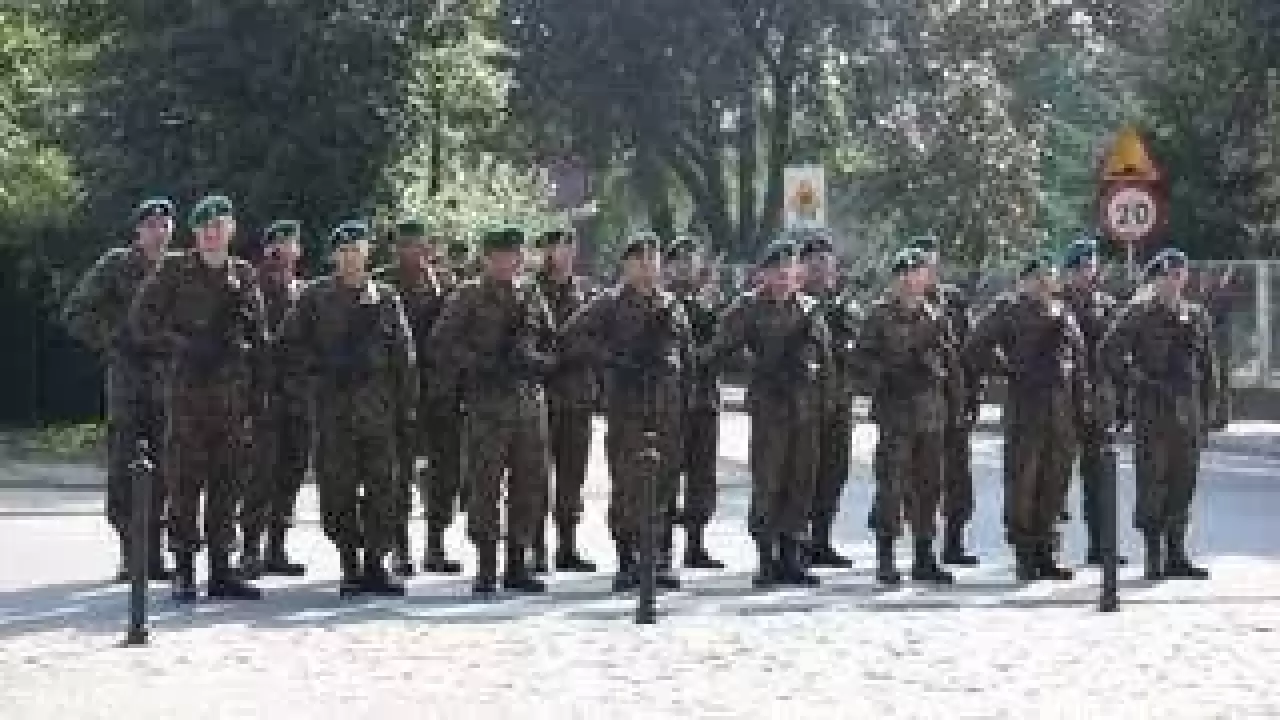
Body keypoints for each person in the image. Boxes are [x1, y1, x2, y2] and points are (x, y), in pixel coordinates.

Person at [130, 195, 267, 601]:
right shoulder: (174, 270)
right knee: (183, 483)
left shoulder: (244, 274)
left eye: (218, 226)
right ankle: (185, 569)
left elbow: (259, 338)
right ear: (195, 233)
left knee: (228, 483)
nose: (211, 234)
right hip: (186, 395)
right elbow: (141, 322)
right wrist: (182, 346)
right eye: (205, 227)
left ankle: (222, 569)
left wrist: (257, 395)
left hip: (232, 399)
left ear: (231, 230)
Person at [278, 219, 418, 597]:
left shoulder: (385, 298)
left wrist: (406, 408)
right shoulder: (315, 297)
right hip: (334, 412)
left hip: (378, 412)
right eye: (344, 252)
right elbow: (288, 347)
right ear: (335, 256)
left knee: (383, 489)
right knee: (336, 490)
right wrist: (319, 373)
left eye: (357, 250)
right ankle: (349, 563)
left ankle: (376, 562)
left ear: (367, 253)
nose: (351, 258)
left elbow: (404, 357)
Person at [429, 227, 556, 595]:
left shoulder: (530, 293)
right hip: (487, 406)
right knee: (485, 486)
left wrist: (536, 361)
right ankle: (486, 565)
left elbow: (551, 340)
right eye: (501, 256)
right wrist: (483, 364)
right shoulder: (468, 295)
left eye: (514, 255)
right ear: (486, 259)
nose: (509, 262)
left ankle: (517, 563)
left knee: (529, 485)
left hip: (528, 405)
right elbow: (440, 344)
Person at [561, 233, 691, 591]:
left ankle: (660, 557)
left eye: (653, 260)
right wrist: (613, 359)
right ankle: (626, 558)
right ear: (627, 266)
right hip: (628, 407)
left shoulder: (671, 304)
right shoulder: (610, 304)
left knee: (666, 482)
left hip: (667, 406)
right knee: (627, 482)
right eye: (641, 261)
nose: (649, 268)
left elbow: (686, 355)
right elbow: (571, 336)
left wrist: (687, 398)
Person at [702, 241, 832, 588]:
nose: (784, 276)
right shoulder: (747, 308)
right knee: (768, 482)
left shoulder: (809, 310)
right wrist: (755, 365)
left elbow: (825, 359)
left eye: (789, 270)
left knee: (800, 482)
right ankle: (765, 557)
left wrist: (820, 391)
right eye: (777, 270)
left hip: (803, 409)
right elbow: (718, 352)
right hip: (768, 408)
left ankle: (791, 556)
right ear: (764, 273)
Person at [61, 197, 176, 582]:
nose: (158, 232)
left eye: (164, 225)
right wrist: (116, 338)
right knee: (125, 466)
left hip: (170, 382)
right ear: (138, 231)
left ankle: (154, 553)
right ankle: (131, 552)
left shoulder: (179, 269)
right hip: (128, 380)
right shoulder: (116, 265)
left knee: (166, 468)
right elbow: (76, 312)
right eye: (151, 226)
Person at [1101, 248, 1228, 580]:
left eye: (1179, 275)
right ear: (1156, 279)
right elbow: (1109, 352)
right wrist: (1138, 381)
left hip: (1188, 412)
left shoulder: (1196, 315)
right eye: (1169, 276)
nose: (1175, 282)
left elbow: (1209, 365)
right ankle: (1153, 556)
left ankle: (1177, 554)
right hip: (1153, 411)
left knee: (1183, 483)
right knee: (1152, 483)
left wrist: (1211, 408)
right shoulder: (1138, 313)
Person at [966, 254, 1090, 581]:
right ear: (1025, 281)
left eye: (1049, 276)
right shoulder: (1009, 310)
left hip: (1061, 412)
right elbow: (976, 347)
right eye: (1038, 277)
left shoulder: (1064, 313)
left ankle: (1048, 552)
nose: (1045, 283)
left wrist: (1083, 407)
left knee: (1056, 483)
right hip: (1026, 408)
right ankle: (1024, 553)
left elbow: (1078, 362)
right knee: (1024, 482)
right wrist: (1009, 369)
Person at [858, 248, 955, 586]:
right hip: (895, 413)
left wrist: (948, 391)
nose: (914, 279)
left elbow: (950, 361)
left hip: (930, 412)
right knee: (891, 486)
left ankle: (924, 555)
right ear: (897, 278)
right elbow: (860, 360)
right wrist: (887, 375)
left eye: (919, 273)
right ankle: (886, 557)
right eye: (908, 273)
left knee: (929, 486)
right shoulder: (879, 316)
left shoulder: (935, 317)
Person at [376, 219, 459, 576]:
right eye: (406, 246)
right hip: (399, 393)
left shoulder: (447, 285)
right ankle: (399, 547)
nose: (414, 253)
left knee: (445, 473)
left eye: (419, 245)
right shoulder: (381, 287)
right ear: (396, 249)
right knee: (399, 473)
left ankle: (435, 544)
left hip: (441, 393)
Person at [239, 220, 310, 579]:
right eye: (278, 245)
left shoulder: (306, 293)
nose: (284, 251)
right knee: (260, 475)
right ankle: (250, 549)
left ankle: (277, 547)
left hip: (299, 399)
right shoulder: (254, 289)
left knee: (291, 473)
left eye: (290, 244)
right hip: (264, 397)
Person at [532, 229, 597, 573]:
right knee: (535, 476)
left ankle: (567, 545)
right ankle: (536, 546)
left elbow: (598, 334)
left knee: (573, 476)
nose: (566, 253)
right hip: (542, 394)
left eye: (570, 246)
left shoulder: (585, 292)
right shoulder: (530, 291)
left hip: (577, 396)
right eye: (558, 247)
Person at [1059, 236, 1127, 566]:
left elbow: (1121, 354)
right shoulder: (1056, 304)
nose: (1089, 272)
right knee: (1055, 477)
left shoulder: (1107, 305)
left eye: (1092, 266)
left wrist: (1123, 400)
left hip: (1099, 400)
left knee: (1100, 477)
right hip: (1063, 402)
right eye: (1083, 266)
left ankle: (1101, 546)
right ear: (1070, 271)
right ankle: (1047, 551)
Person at [799, 230, 860, 568]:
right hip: (806, 404)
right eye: (814, 262)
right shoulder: (795, 303)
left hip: (839, 401)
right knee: (802, 474)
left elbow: (857, 345)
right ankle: (796, 542)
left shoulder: (844, 304)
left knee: (834, 472)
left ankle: (821, 540)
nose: (821, 267)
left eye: (826, 261)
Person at [665, 237, 724, 569]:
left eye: (692, 260)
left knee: (702, 476)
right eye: (680, 261)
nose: (687, 267)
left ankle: (695, 544)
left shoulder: (710, 301)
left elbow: (723, 342)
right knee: (667, 475)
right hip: (673, 403)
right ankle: (662, 548)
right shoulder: (663, 301)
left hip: (704, 401)